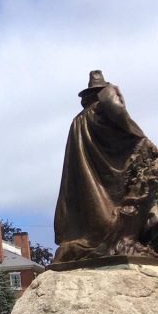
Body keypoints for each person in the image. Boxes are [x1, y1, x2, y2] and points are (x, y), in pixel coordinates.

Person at [54, 70, 158, 263]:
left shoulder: (78, 120)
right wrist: (140, 137)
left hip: (91, 179)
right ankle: (113, 241)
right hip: (108, 177)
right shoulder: (102, 109)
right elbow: (117, 110)